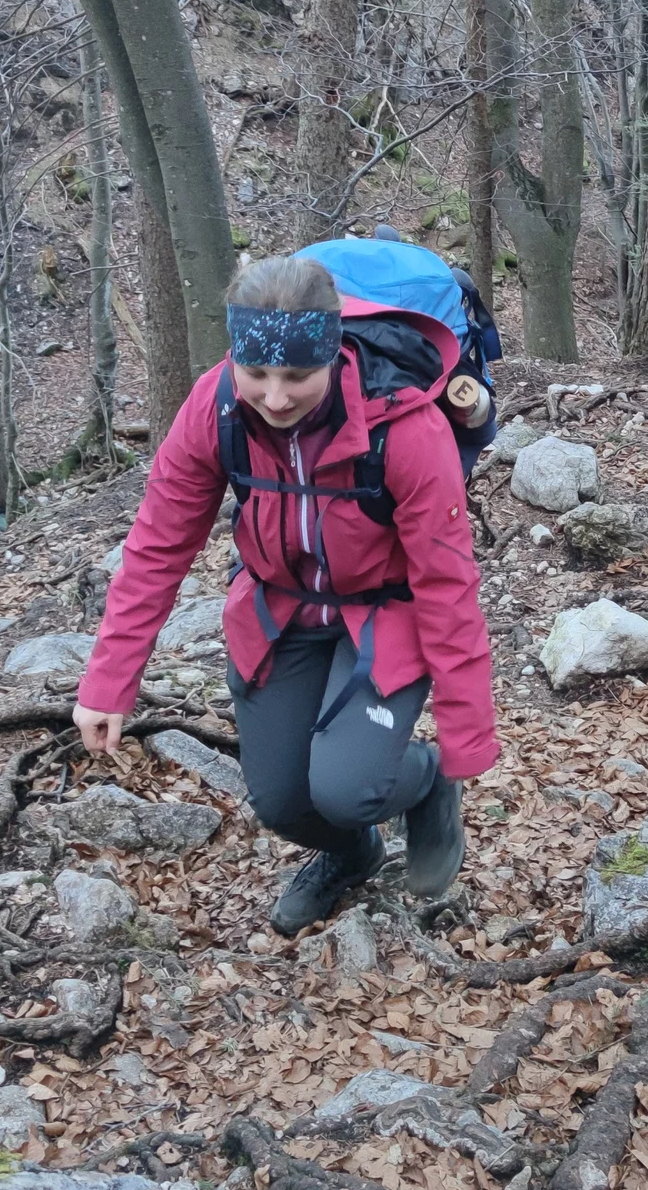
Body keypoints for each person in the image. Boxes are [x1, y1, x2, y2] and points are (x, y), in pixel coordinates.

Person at [72, 250, 497, 933]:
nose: (274, 397)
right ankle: (352, 855)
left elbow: (448, 587)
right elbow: (157, 544)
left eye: (298, 375)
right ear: (233, 357)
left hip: (384, 614)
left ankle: (426, 784)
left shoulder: (406, 429)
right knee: (280, 801)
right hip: (279, 611)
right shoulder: (215, 408)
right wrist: (108, 682)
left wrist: (464, 734)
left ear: (333, 356)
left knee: (348, 787)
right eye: (256, 372)